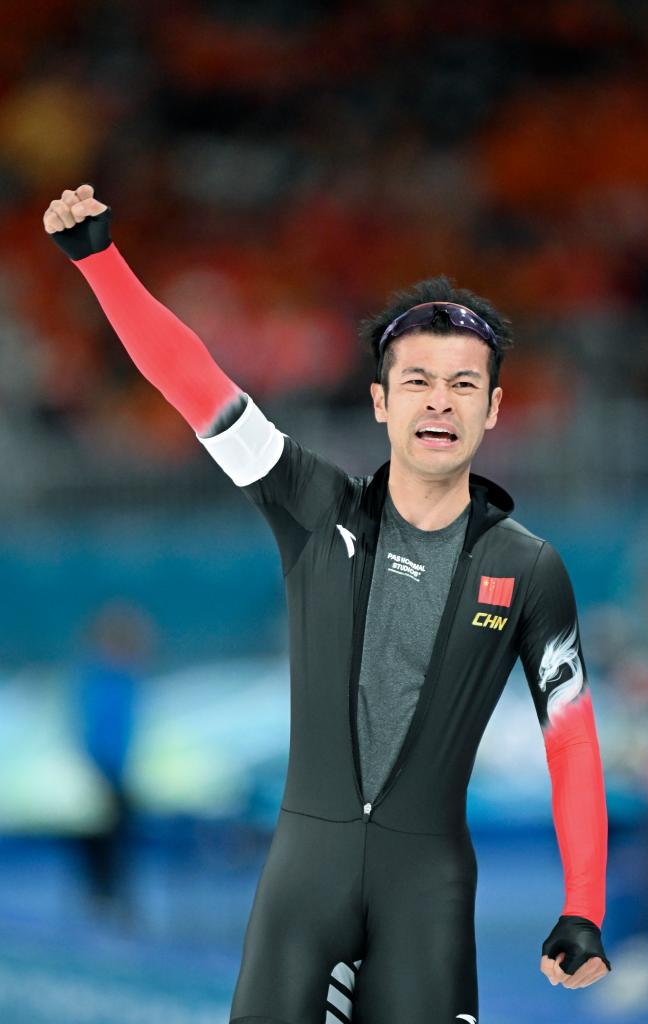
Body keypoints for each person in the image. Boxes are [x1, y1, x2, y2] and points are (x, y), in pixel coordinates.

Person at [44, 183, 611, 1024]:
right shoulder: (315, 506)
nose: (439, 401)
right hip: (303, 886)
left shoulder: (528, 569)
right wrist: (101, 262)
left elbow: (571, 740)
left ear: (494, 408)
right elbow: (195, 383)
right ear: (380, 401)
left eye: (463, 383)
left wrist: (584, 905)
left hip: (426, 895)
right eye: (416, 380)